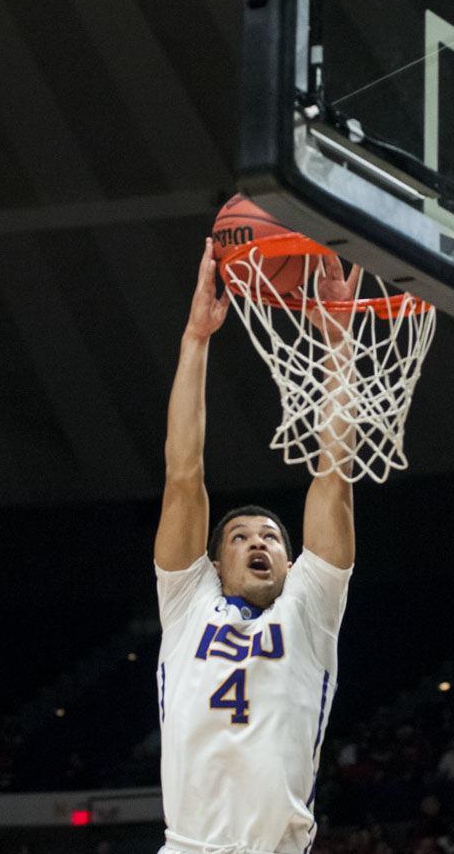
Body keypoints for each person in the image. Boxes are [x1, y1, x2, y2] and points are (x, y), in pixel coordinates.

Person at [154, 238, 359, 854]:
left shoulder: (310, 607)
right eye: (239, 538)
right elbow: (184, 475)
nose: (257, 543)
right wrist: (195, 340)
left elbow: (332, 477)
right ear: (215, 564)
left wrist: (339, 346)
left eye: (270, 536)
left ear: (293, 564)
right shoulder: (189, 602)